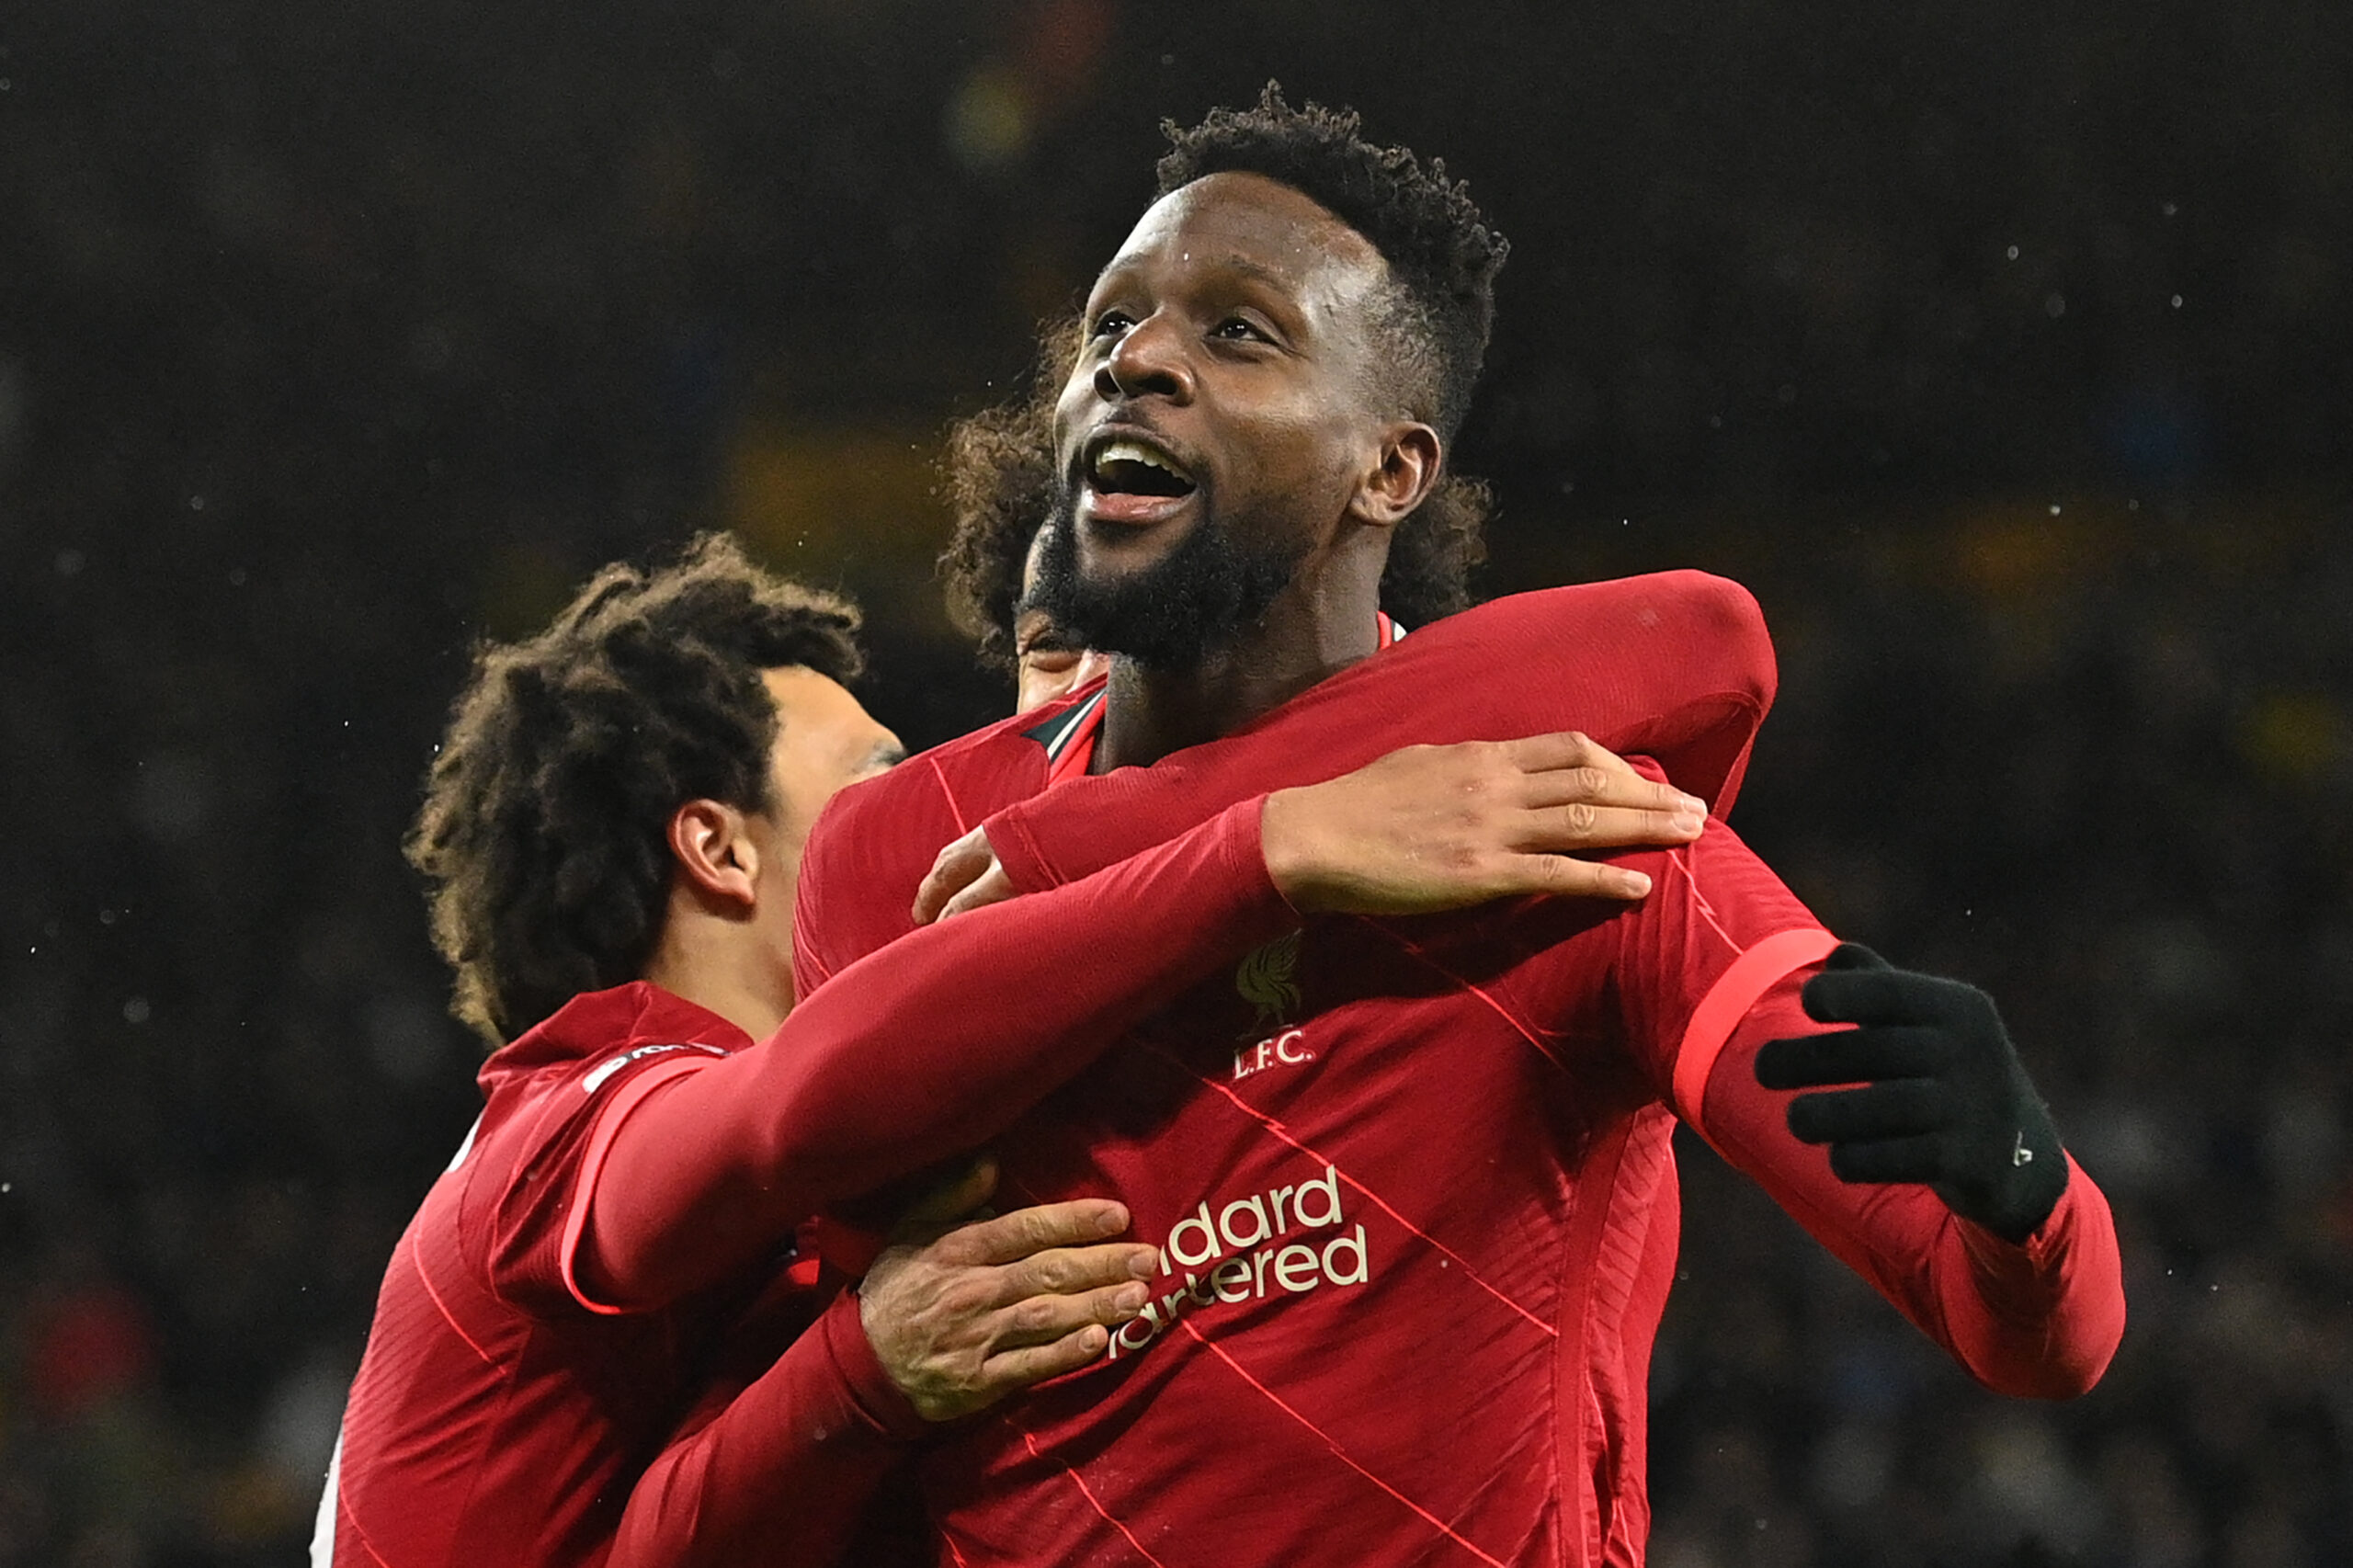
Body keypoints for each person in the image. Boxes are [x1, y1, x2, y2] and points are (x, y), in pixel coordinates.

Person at [787, 87, 2127, 1566]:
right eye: (1112, 321)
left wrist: (2024, 1192)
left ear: (1391, 469)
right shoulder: (892, 852)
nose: (1136, 358)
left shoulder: (1574, 830)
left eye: (1238, 332)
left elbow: (2037, 1334)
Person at [315, 533, 1716, 1566]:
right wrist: (1263, 842)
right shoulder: (573, 1120)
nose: (932, 802)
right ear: (717, 848)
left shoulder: (850, 1219)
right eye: (876, 778)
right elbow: (784, 1115)